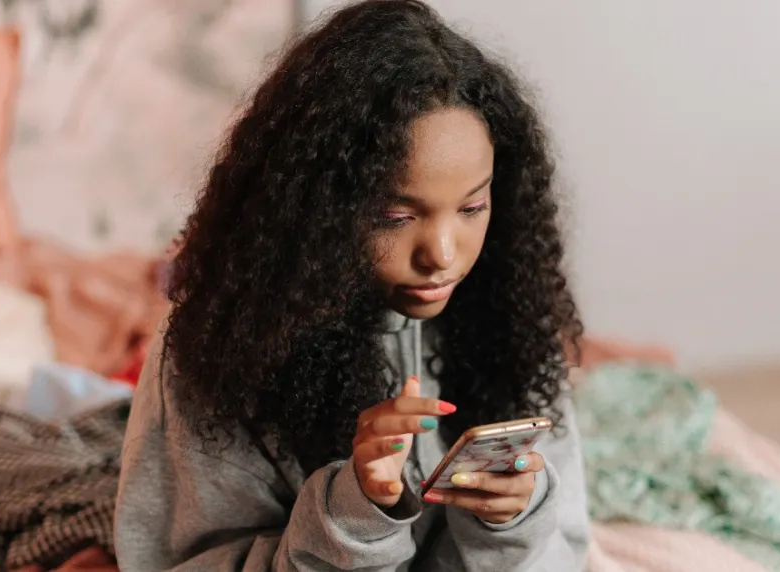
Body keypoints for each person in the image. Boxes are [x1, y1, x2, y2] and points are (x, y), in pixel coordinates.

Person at [114, 1, 590, 570]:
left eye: (472, 207)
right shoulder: (214, 344)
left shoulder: (515, 314)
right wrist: (354, 514)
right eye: (395, 217)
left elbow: (569, 553)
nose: (441, 255)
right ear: (315, 209)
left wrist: (514, 521)